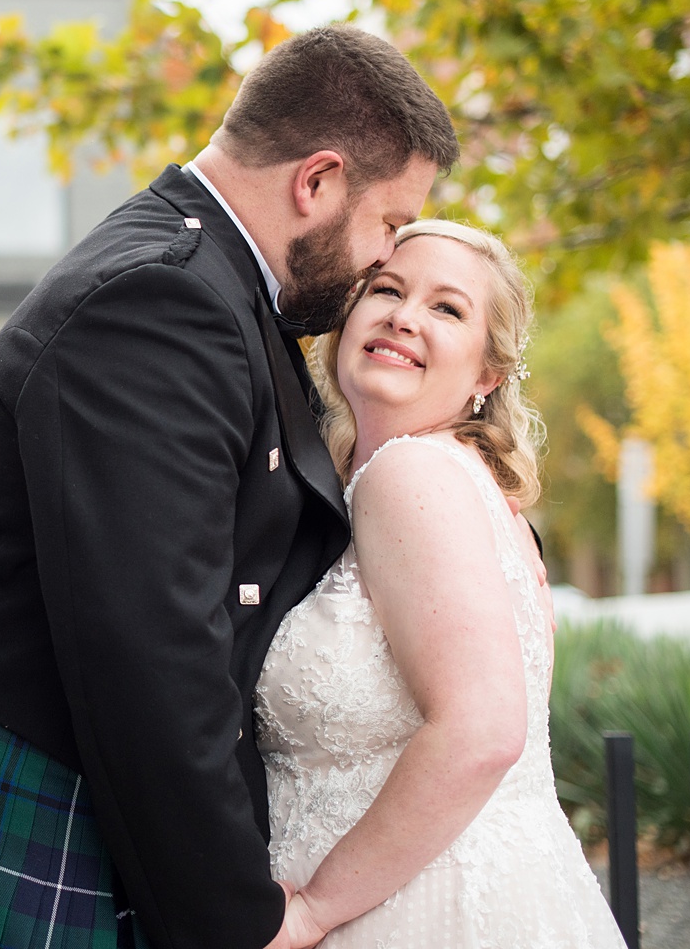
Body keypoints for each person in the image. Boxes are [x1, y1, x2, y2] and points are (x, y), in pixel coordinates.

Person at [0, 24, 459, 949]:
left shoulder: (214, 287)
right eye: (389, 223)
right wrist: (234, 920)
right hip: (15, 796)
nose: (383, 260)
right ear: (316, 182)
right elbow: (153, 649)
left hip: (74, 793)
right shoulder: (163, 300)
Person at [260, 219, 625, 947]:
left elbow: (484, 729)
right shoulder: (468, 489)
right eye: (387, 289)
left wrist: (316, 909)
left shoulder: (409, 474)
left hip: (418, 907)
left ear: (488, 374)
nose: (403, 315)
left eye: (446, 308)